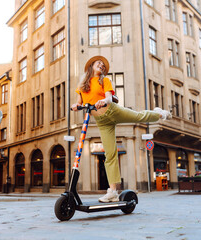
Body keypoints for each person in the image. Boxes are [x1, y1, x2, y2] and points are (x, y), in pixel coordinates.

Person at [71, 56, 172, 203]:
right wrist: (75, 106)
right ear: (91, 66)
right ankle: (112, 192)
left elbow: (109, 98)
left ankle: (159, 113)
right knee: (110, 154)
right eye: (98, 63)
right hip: (101, 121)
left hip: (112, 111)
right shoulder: (82, 86)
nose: (101, 66)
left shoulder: (104, 80)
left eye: (103, 66)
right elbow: (80, 102)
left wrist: (104, 101)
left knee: (138, 117)